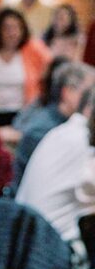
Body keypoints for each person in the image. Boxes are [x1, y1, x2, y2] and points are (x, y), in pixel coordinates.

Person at [16, 87, 95, 253]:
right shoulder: (83, 142)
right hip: (55, 251)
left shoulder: (61, 132)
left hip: (28, 243)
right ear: (89, 110)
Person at [11, 61, 95, 191]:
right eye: (88, 93)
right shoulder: (43, 130)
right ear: (67, 92)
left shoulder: (66, 123)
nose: (92, 100)